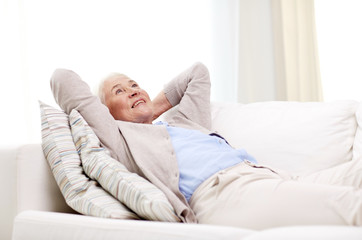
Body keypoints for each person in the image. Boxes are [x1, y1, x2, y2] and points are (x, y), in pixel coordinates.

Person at [51, 62, 362, 230]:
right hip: (226, 195)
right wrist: (128, 117)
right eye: (120, 90)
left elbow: (197, 73)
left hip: (271, 176)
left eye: (135, 84)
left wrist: (152, 107)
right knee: (350, 205)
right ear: (104, 112)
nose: (133, 91)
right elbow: (61, 79)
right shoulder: (118, 138)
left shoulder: (183, 122)